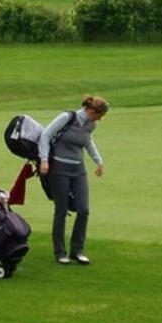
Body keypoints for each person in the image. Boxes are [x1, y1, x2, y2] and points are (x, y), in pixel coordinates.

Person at [38, 95, 108, 265]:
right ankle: (60, 252)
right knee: (61, 210)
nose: (100, 119)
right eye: (99, 115)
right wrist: (44, 159)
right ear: (91, 111)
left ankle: (77, 250)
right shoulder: (67, 118)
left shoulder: (91, 124)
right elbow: (46, 135)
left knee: (83, 209)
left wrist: (98, 161)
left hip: (78, 170)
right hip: (59, 169)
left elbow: (87, 142)